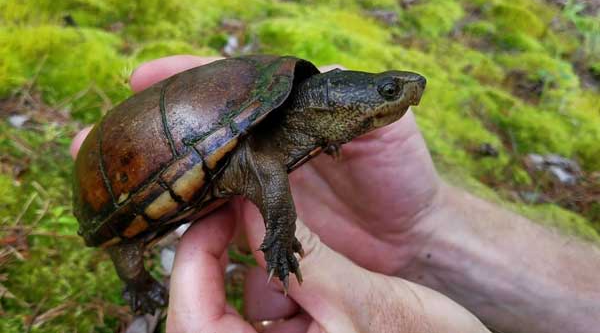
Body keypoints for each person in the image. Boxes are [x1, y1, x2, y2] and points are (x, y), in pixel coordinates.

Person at [70, 56, 600, 333]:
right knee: (130, 251)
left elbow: (269, 153)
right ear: (334, 106)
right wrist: (282, 237)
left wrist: (423, 227)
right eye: (389, 92)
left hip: (216, 146)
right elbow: (266, 170)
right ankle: (139, 289)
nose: (404, 94)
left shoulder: (303, 120)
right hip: (135, 172)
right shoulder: (278, 133)